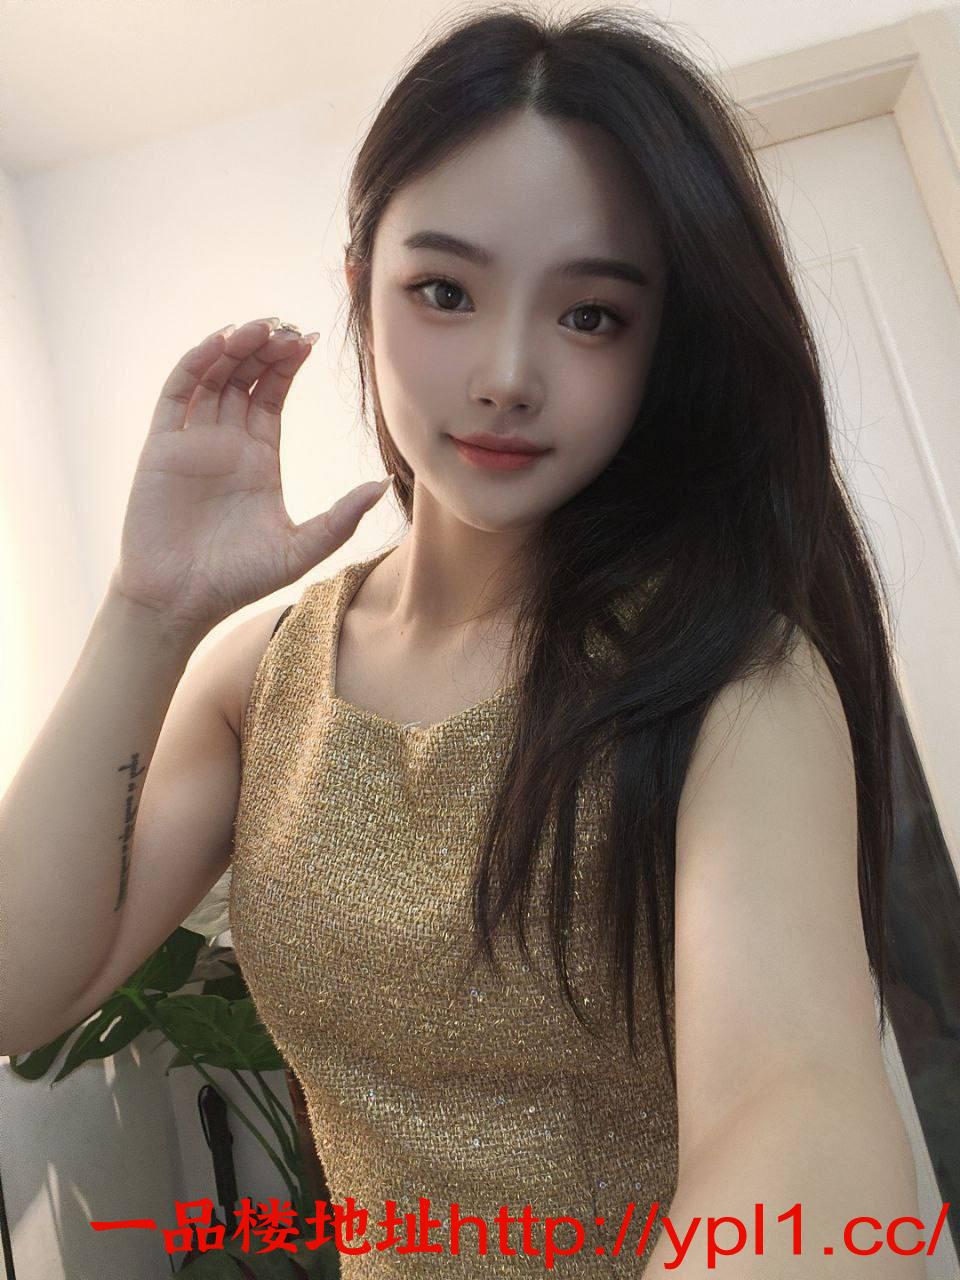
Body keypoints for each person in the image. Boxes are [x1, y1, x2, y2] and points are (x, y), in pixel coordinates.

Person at [0, 5, 924, 1276]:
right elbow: (19, 990)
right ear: (360, 293)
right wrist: (146, 612)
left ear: (660, 350)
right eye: (444, 291)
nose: (506, 372)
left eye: (591, 315)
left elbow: (794, 1100)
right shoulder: (261, 679)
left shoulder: (730, 677)